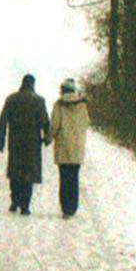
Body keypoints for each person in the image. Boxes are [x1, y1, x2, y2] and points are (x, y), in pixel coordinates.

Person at [0, 74, 49, 214]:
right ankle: (25, 205)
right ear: (33, 84)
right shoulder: (39, 101)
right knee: (28, 175)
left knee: (15, 172)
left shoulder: (12, 99)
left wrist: (0, 139)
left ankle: (14, 200)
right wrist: (47, 138)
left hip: (16, 141)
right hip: (32, 144)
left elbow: (3, 120)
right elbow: (44, 121)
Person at [51, 77, 90, 217]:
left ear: (63, 90)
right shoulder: (82, 105)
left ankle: (65, 209)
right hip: (77, 147)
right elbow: (87, 123)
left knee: (64, 179)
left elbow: (54, 126)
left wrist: (50, 137)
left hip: (63, 147)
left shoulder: (59, 105)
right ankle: (73, 207)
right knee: (74, 178)